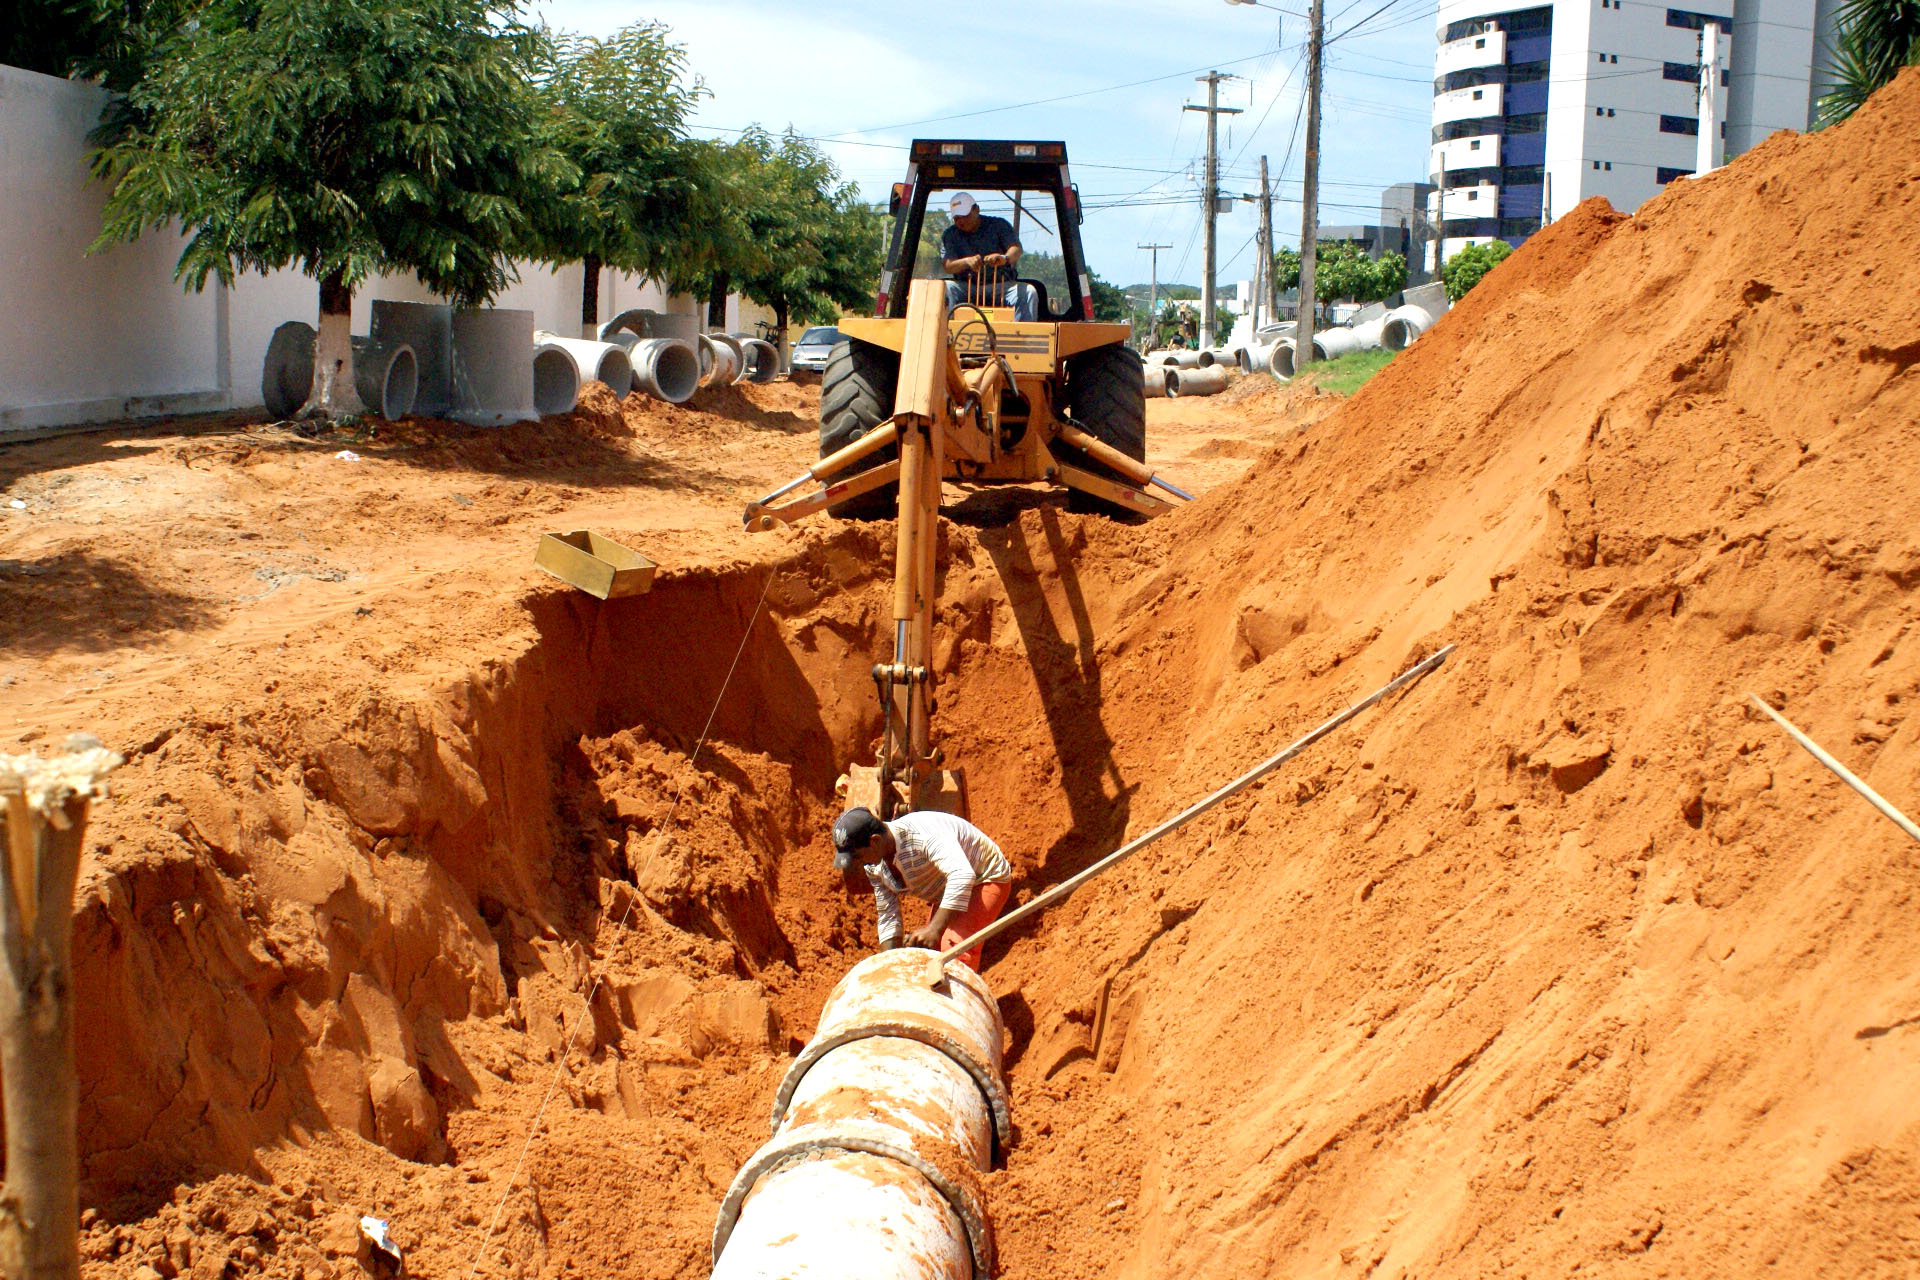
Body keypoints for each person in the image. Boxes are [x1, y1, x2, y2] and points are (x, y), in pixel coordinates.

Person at [833, 806, 1014, 971]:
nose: (856, 864)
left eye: (857, 856)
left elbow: (962, 875)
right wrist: (889, 962)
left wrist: (935, 929)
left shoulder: (923, 835)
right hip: (946, 887)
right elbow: (888, 913)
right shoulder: (873, 864)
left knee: (953, 952)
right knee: (928, 953)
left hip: (984, 878)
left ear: (874, 841)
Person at [940, 192, 1037, 322]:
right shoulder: (950, 235)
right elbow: (948, 265)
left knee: (1028, 292)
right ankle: (946, 335)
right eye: (957, 218)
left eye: (965, 215)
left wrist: (1004, 258)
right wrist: (967, 262)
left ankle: (1024, 338)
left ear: (976, 209)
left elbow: (1016, 249)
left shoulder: (999, 225)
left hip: (1000, 287)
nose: (961, 221)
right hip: (966, 288)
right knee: (944, 288)